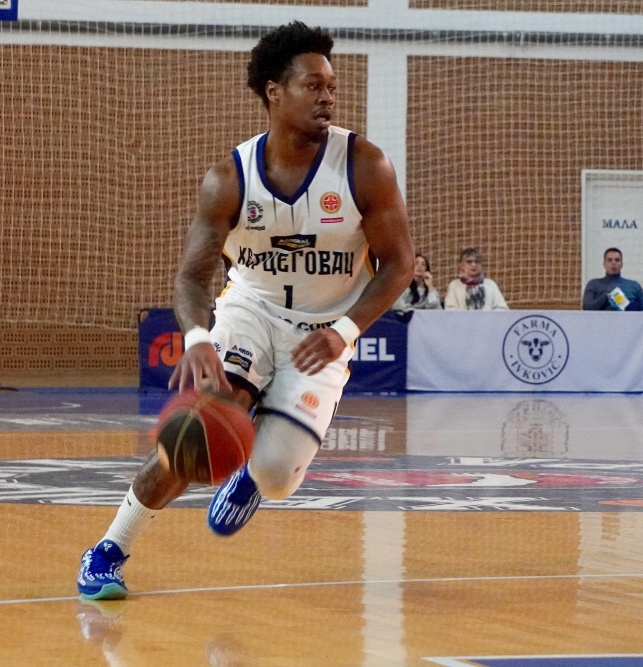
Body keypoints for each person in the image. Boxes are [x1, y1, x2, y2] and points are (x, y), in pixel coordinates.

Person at [76, 21, 414, 601]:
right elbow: (191, 277)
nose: (328, 97)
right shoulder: (229, 179)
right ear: (274, 92)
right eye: (313, 86)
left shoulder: (364, 166)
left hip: (325, 328)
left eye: (332, 87)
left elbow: (400, 264)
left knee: (279, 476)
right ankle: (108, 550)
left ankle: (253, 476)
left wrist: (345, 329)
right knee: (200, 424)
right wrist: (197, 338)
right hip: (250, 309)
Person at [581, 247, 643, 311]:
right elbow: (586, 308)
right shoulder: (594, 284)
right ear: (604, 264)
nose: (613, 263)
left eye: (617, 260)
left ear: (621, 264)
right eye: (609, 260)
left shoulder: (634, 286)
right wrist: (606, 297)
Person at [443, 247, 508, 310]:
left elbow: (502, 308)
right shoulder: (455, 285)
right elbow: (450, 309)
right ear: (462, 265)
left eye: (477, 261)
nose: (473, 265)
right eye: (469, 262)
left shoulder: (490, 284)